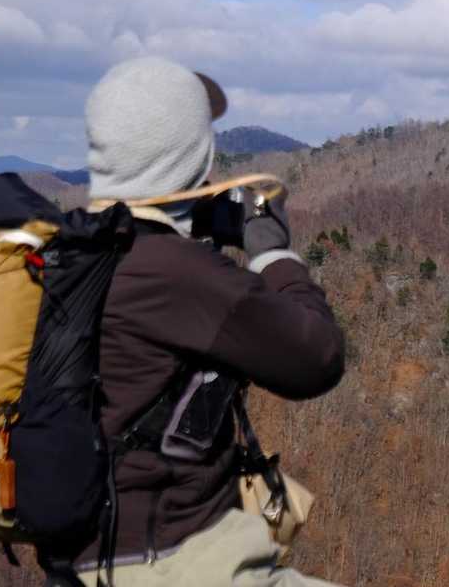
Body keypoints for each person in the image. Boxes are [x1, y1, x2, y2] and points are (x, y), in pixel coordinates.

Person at [67, 56, 346, 586]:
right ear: (191, 156)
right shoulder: (175, 272)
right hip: (175, 563)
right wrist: (272, 253)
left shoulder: (66, 251)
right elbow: (319, 357)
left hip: (82, 556)